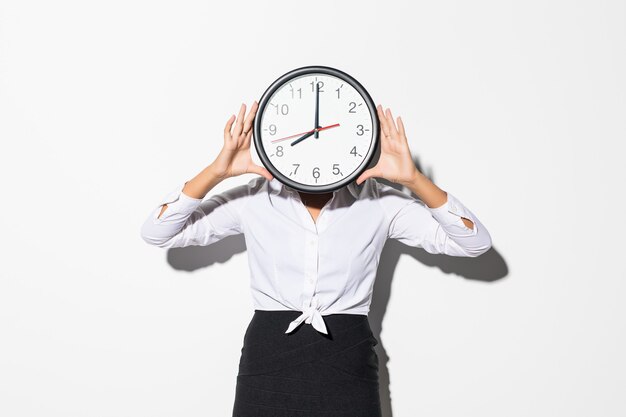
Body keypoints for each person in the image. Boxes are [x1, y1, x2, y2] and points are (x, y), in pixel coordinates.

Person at [140, 101, 492, 417]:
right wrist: (217, 171)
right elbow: (159, 232)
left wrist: (414, 179)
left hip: (348, 355)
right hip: (269, 354)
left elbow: (473, 242)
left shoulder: (382, 202)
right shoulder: (253, 199)